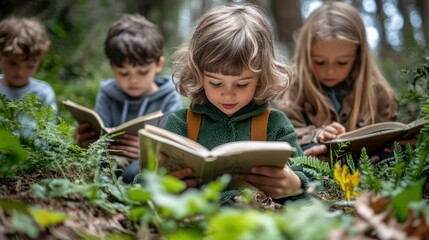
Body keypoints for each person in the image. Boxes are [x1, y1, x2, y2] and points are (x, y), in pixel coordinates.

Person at [162, 4, 310, 205]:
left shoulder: (274, 125)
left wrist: (295, 183)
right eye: (215, 83)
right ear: (199, 74)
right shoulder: (180, 124)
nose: (228, 94)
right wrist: (163, 184)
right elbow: (144, 180)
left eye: (242, 84)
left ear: (261, 77)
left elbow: (308, 177)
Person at [270, 2, 398, 161]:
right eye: (320, 62)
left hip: (367, 162)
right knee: (309, 151)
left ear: (358, 57)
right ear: (306, 54)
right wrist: (316, 135)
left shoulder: (376, 91)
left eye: (342, 62)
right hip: (318, 162)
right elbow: (282, 132)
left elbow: (389, 128)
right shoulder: (292, 89)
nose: (330, 71)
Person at [75, 14, 183, 179]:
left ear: (158, 64)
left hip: (146, 168)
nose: (133, 80)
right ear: (112, 67)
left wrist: (148, 154)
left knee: (136, 172)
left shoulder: (170, 97)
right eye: (123, 73)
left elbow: (173, 150)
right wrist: (86, 143)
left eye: (142, 72)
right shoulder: (107, 93)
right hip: (109, 163)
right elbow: (100, 137)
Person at [0, 16, 57, 112]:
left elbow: (51, 125)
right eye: (13, 64)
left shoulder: (43, 94)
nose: (20, 72)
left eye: (29, 66)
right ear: (0, 57)